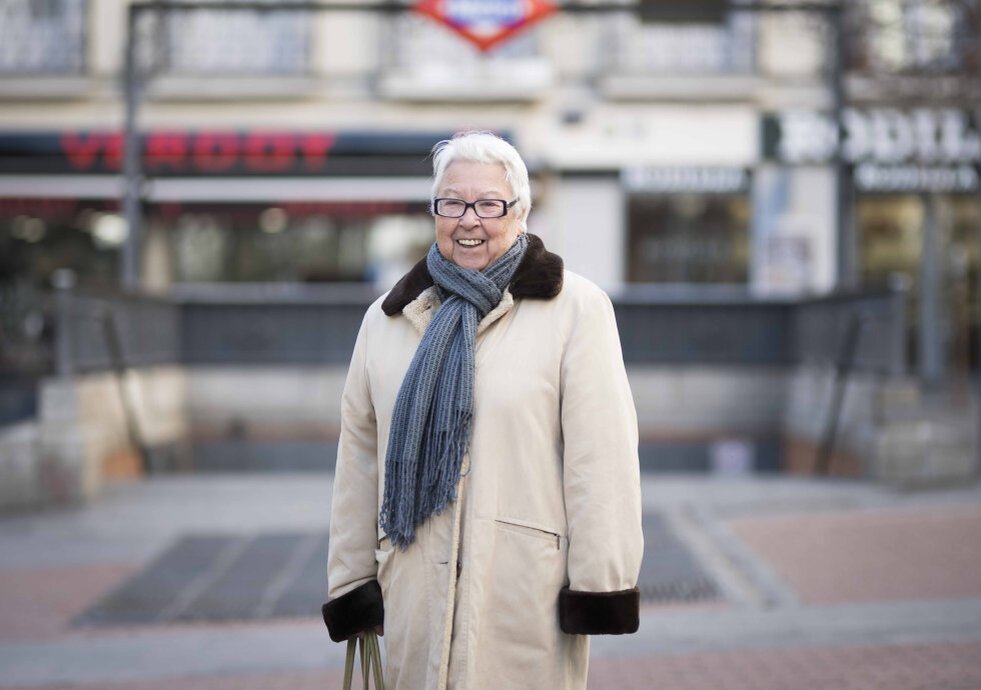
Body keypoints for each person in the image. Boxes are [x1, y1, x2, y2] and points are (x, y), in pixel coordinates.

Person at [322, 131, 643, 689]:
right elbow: (360, 458)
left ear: (519, 212)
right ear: (435, 210)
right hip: (413, 596)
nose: (469, 220)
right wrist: (353, 583)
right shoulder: (388, 319)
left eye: (488, 204)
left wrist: (599, 584)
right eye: (452, 203)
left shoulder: (576, 310)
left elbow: (602, 457)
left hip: (524, 597)